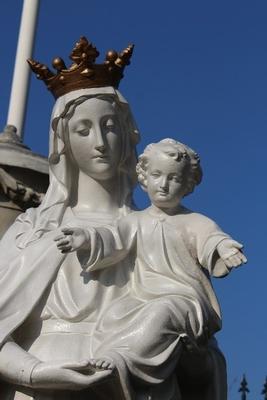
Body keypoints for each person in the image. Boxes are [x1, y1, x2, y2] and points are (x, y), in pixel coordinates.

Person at [56, 138, 247, 399]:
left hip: (185, 302)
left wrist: (224, 249)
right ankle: (115, 369)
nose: (164, 185)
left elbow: (210, 238)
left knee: (164, 311)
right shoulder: (134, 221)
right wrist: (86, 239)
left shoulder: (193, 221)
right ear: (144, 178)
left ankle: (121, 360)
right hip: (141, 299)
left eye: (174, 178)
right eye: (157, 175)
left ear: (188, 184)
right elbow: (112, 239)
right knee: (115, 313)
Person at [0, 87, 140, 400]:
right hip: (36, 387)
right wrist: (34, 372)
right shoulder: (31, 229)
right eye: (83, 129)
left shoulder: (149, 230)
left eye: (110, 126)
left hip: (120, 384)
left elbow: (189, 338)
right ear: (64, 142)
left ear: (127, 134)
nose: (100, 143)